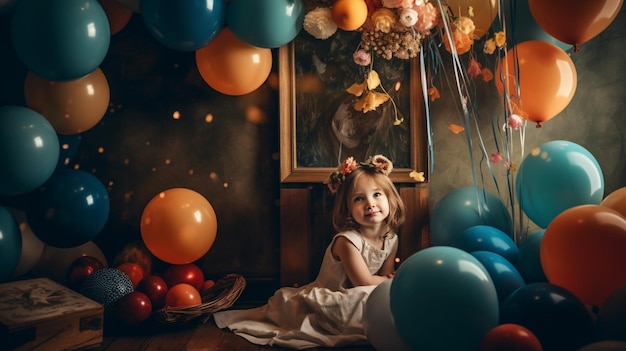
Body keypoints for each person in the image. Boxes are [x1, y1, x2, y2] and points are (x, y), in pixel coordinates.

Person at [213, 155, 406, 349]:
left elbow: (383, 277)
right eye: (359, 198)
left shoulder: (391, 238)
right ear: (347, 209)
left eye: (377, 194)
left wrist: (389, 280)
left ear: (390, 198)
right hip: (337, 295)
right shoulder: (347, 241)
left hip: (364, 293)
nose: (370, 203)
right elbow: (363, 281)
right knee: (365, 297)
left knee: (381, 297)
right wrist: (393, 279)